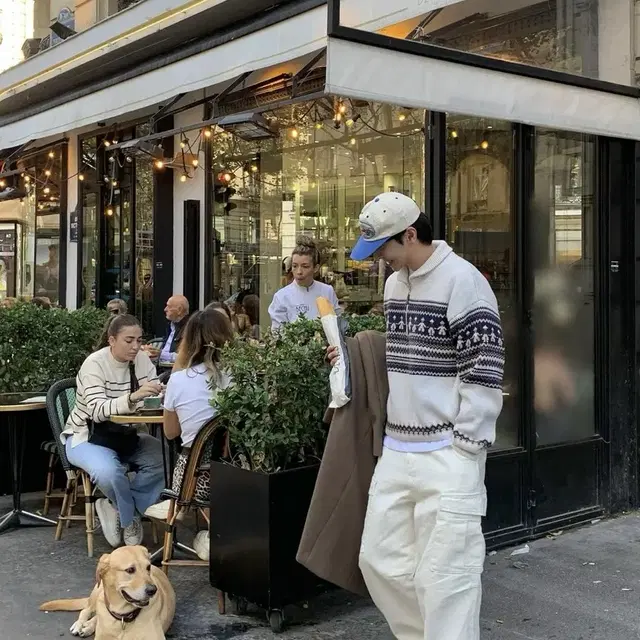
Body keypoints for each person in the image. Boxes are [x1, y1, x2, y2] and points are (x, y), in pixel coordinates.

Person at [328, 192, 504, 640]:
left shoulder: (463, 281)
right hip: (398, 447)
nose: (380, 260)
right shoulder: (394, 284)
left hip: (449, 450)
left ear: (410, 235)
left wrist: (468, 445)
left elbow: (483, 368)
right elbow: (404, 356)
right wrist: (349, 353)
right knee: (378, 562)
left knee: (447, 579)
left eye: (384, 248)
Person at [61, 314, 166, 548]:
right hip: (86, 436)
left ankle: (120, 508)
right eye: (129, 340)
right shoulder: (94, 364)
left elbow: (153, 394)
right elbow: (97, 411)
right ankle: (129, 517)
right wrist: (134, 397)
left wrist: (161, 393)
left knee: (167, 460)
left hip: (127, 435)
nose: (136, 346)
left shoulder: (141, 360)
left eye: (139, 340)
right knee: (109, 472)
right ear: (111, 339)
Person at [145, 308, 233, 560]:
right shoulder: (240, 376)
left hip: (192, 482)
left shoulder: (179, 380)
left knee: (184, 455)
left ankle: (204, 536)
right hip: (237, 476)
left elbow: (171, 433)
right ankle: (215, 536)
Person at [268, 236, 340, 329]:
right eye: (294, 266)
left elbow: (338, 324)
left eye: (305, 266)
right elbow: (278, 334)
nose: (299, 272)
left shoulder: (327, 291)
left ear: (316, 268)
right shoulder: (281, 297)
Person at [144, 295, 190, 364]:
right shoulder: (172, 325)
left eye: (169, 306)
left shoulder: (189, 329)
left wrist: (160, 354)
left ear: (179, 310)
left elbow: (186, 358)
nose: (165, 309)